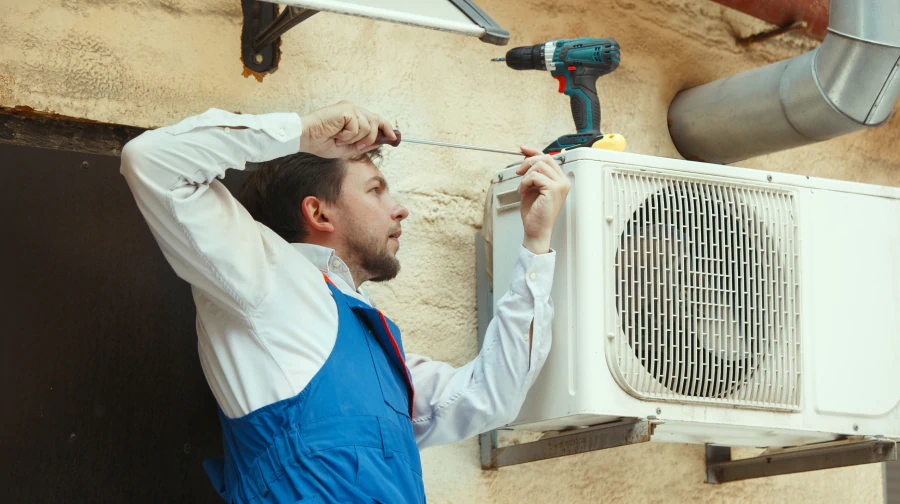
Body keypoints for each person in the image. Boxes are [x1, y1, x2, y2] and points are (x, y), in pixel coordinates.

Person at [120, 101, 570, 503]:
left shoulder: (376, 345)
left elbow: (491, 395)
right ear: (318, 213)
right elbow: (151, 160)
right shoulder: (264, 276)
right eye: (376, 190)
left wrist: (535, 244)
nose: (400, 209)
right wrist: (301, 132)